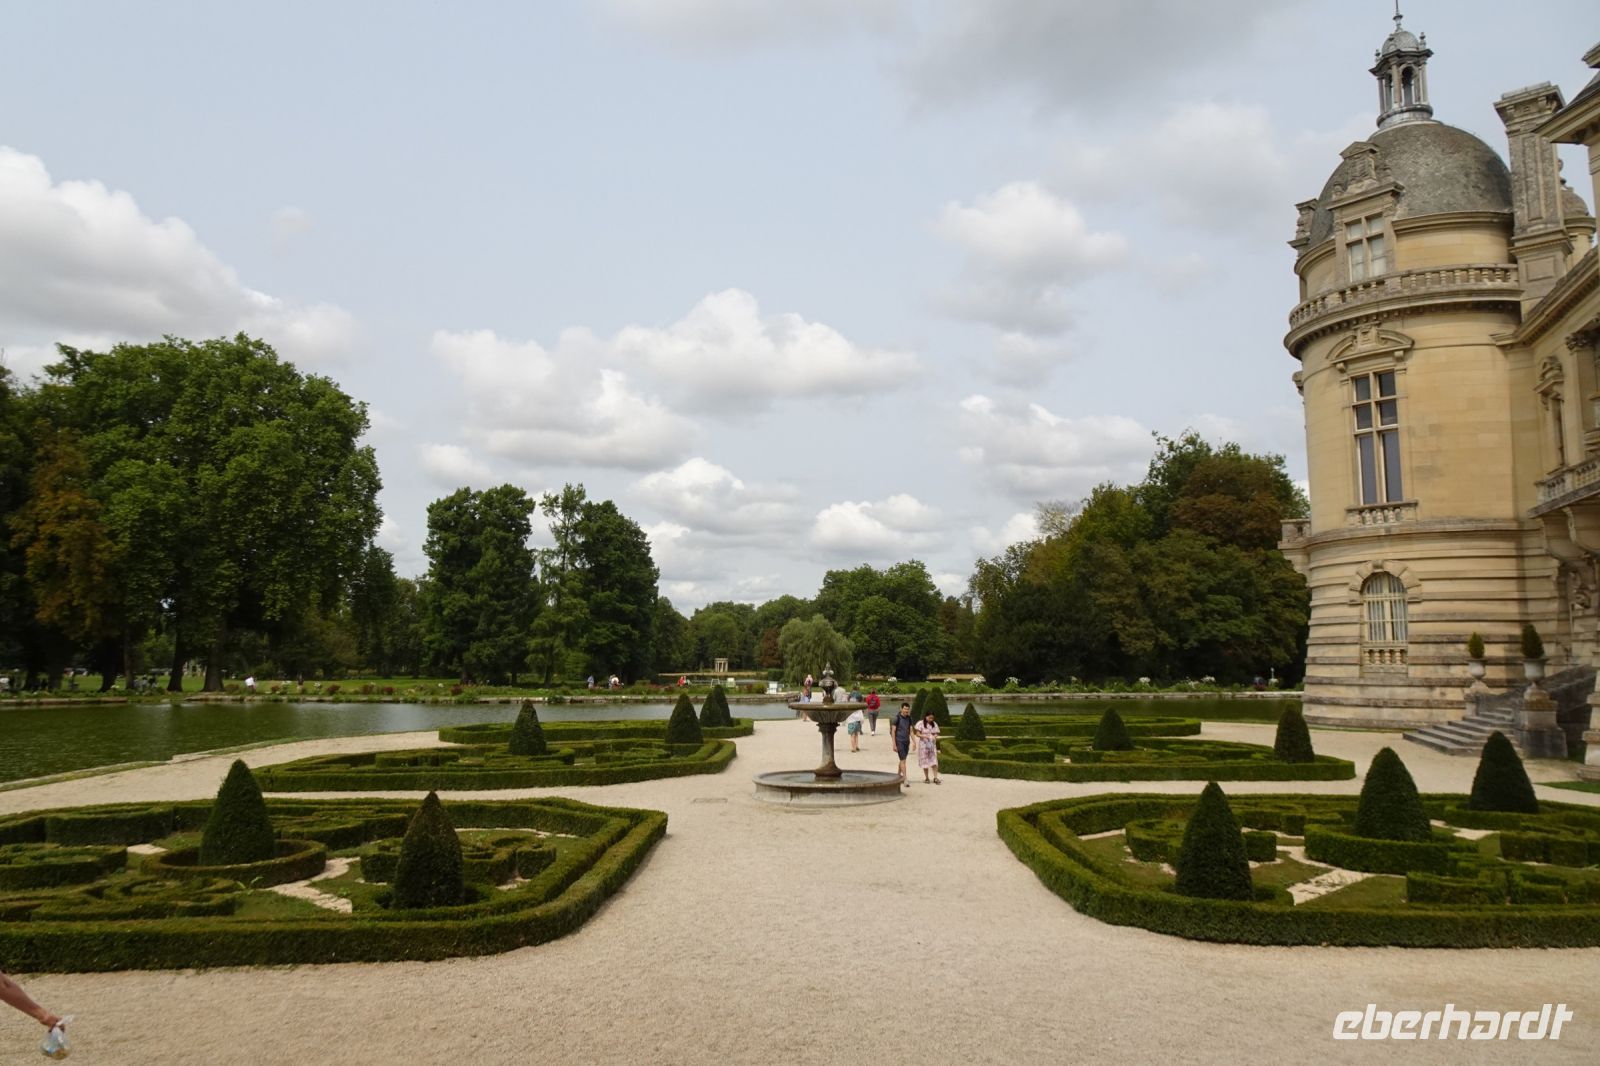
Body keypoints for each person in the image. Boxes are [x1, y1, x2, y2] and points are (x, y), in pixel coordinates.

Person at [914, 709, 941, 784]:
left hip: (932, 745)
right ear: (926, 717)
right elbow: (917, 734)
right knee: (925, 761)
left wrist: (934, 736)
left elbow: (936, 733)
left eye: (932, 718)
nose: (931, 719)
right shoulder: (920, 723)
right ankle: (927, 778)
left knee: (934, 761)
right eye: (930, 718)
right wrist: (925, 736)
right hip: (923, 746)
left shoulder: (934, 724)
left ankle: (935, 778)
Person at [890, 702, 914, 784]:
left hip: (906, 742)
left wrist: (914, 742)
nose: (906, 710)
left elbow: (911, 731)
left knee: (902, 760)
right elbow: (893, 732)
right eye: (905, 709)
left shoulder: (909, 718)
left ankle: (898, 775)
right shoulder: (897, 718)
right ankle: (905, 779)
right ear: (901, 709)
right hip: (899, 741)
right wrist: (894, 744)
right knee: (903, 760)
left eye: (908, 709)